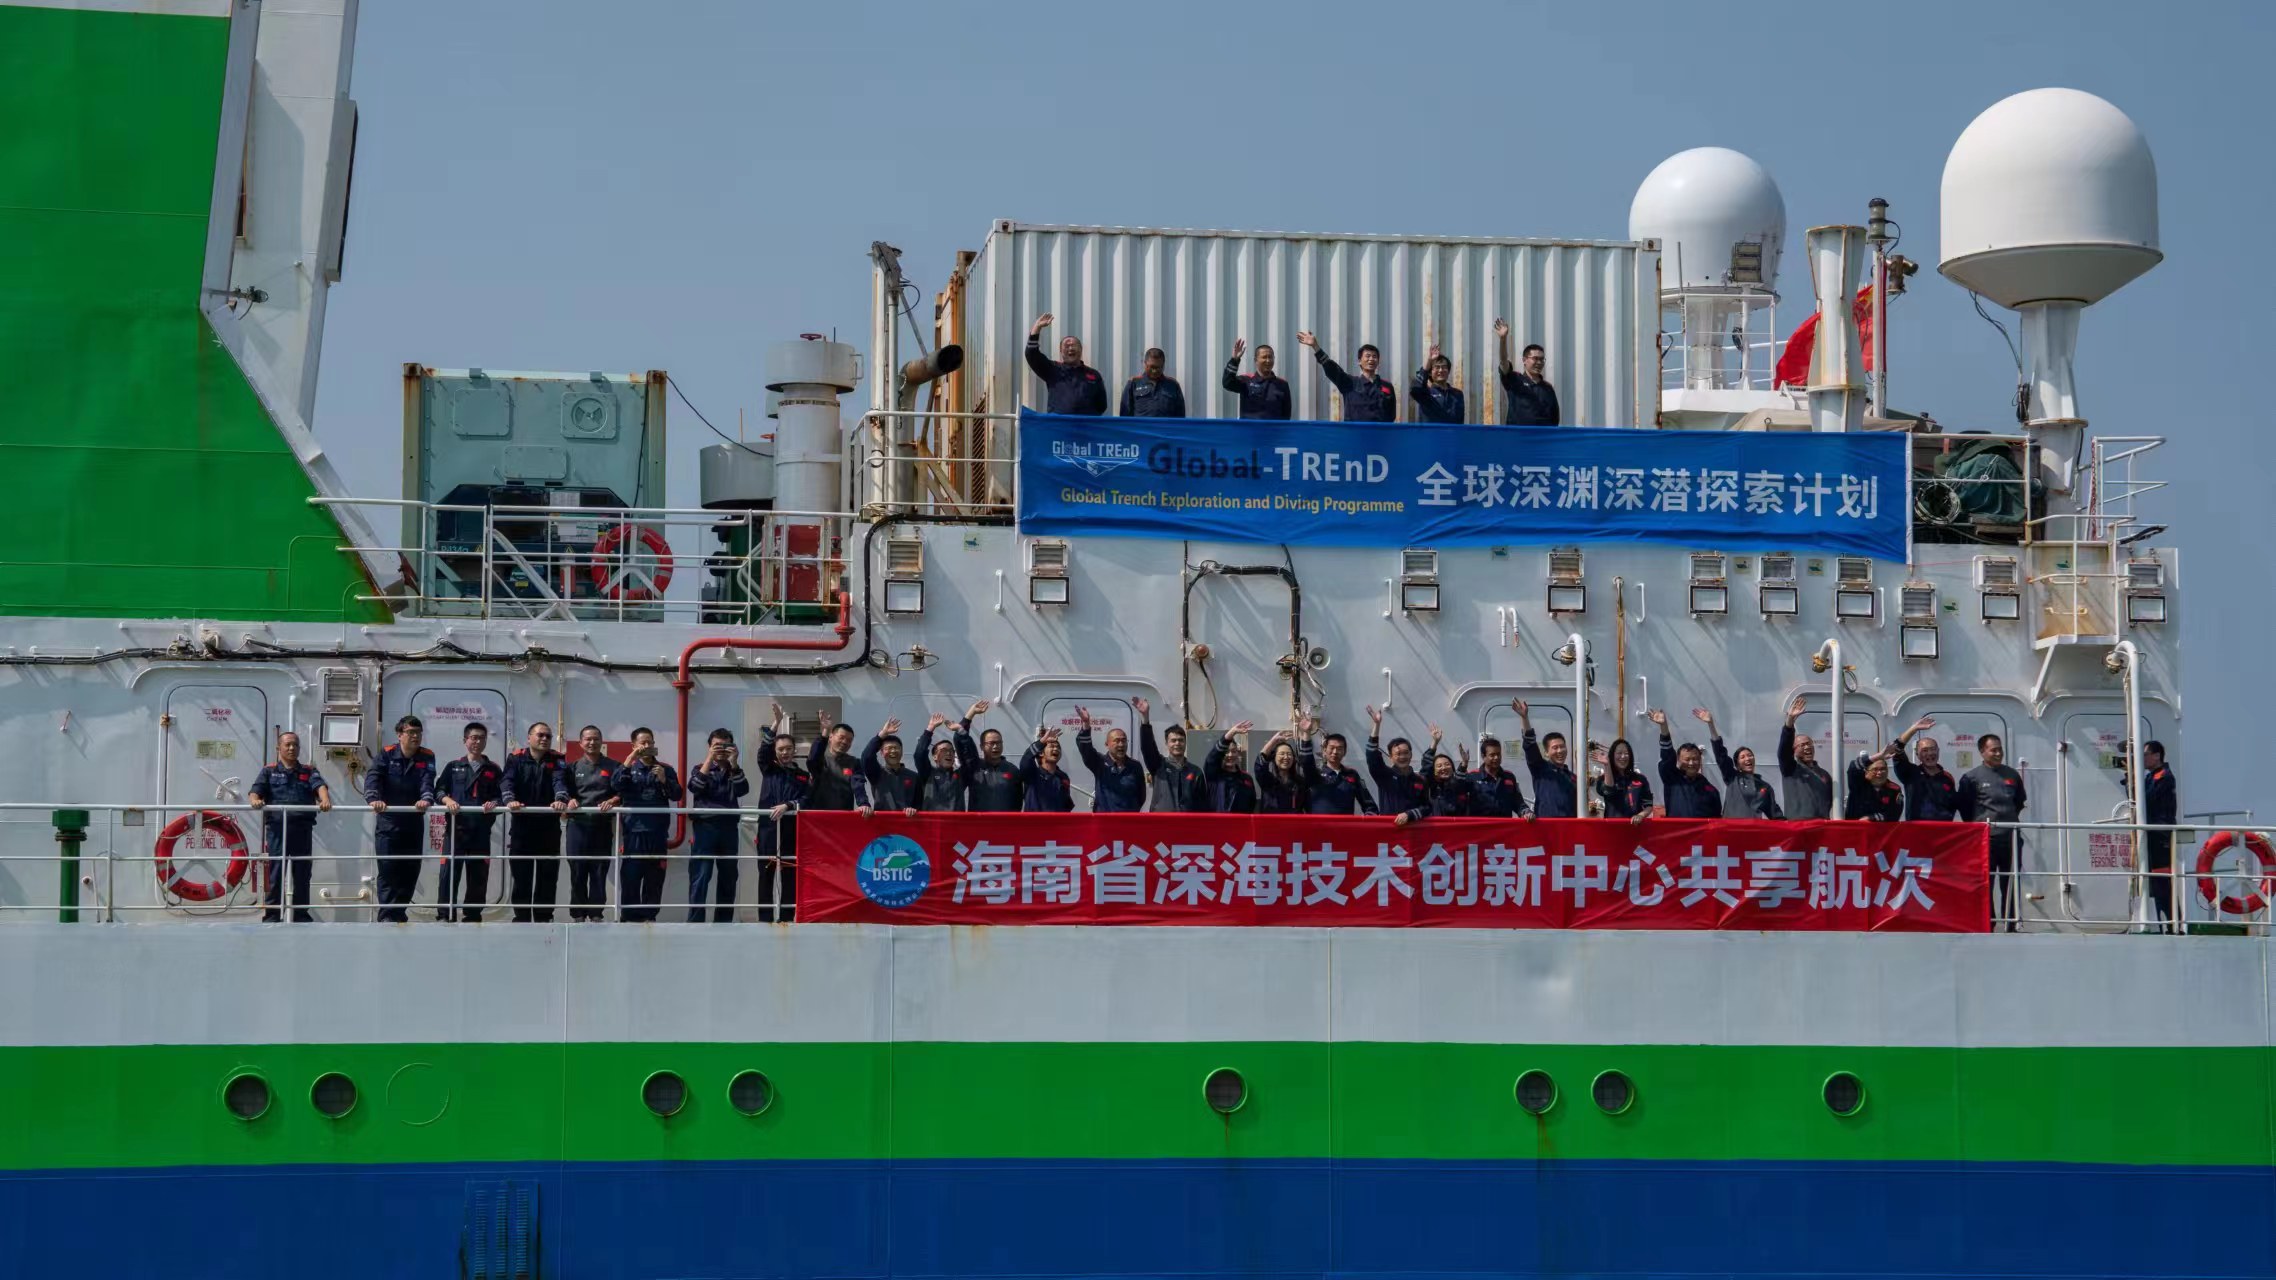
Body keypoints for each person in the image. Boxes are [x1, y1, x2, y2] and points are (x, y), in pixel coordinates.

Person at [248, 730, 330, 923]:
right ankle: (272, 916)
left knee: (302, 874)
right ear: (279, 748)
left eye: (295, 745)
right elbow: (255, 791)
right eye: (288, 745)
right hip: (277, 831)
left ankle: (301, 916)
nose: (292, 748)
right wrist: (255, 800)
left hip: (302, 830)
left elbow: (319, 786)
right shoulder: (269, 771)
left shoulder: (308, 770)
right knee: (275, 874)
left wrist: (325, 799)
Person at [362, 715, 435, 923]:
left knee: (410, 870)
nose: (415, 736)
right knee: (388, 870)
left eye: (418, 733)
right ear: (399, 734)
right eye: (410, 732)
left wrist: (425, 799)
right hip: (389, 822)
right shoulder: (386, 754)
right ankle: (387, 917)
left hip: (413, 822)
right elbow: (373, 778)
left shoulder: (427, 756)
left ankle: (399, 914)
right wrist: (374, 799)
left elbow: (427, 781)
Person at [436, 722, 506, 923]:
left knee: (478, 875)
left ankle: (473, 916)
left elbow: (502, 796)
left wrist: (494, 804)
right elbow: (438, 791)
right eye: (473, 738)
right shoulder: (453, 767)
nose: (477, 742)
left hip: (480, 831)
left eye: (482, 738)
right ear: (465, 741)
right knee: (448, 874)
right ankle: (445, 915)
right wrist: (448, 800)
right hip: (455, 830)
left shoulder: (493, 769)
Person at [610, 727, 683, 923]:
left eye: (650, 742)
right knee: (631, 877)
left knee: (655, 878)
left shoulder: (665, 769)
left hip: (657, 833)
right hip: (634, 832)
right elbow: (616, 785)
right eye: (642, 742)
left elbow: (677, 795)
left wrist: (664, 780)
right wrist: (629, 760)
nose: (647, 745)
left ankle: (650, 918)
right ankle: (629, 918)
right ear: (634, 745)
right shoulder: (628, 768)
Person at [501, 722, 570, 923]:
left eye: (548, 736)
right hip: (522, 828)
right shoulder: (516, 758)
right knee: (521, 876)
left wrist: (560, 799)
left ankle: (544, 919)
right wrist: (509, 799)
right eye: (540, 735)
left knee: (547, 877)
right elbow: (507, 781)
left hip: (549, 828)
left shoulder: (557, 759)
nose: (544, 739)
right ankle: (521, 918)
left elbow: (560, 781)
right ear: (529, 737)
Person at [1959, 733, 2029, 931]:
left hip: (2011, 837)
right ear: (1982, 752)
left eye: (2000, 749)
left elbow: (2018, 803)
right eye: (1993, 750)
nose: (1998, 753)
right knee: (1985, 883)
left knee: (2011, 880)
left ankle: (2011, 924)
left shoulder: (2012, 775)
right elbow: (1965, 808)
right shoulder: (1971, 778)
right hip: (1986, 839)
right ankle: (1987, 923)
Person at [686, 728, 751, 923]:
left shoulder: (734, 770)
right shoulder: (700, 768)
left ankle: (723, 922)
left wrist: (734, 763)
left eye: (725, 745)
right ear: (709, 747)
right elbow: (695, 787)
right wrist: (709, 759)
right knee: (700, 875)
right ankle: (695, 922)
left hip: (729, 828)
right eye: (716, 746)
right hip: (705, 827)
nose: (721, 749)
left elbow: (742, 790)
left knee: (729, 876)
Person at [754, 712, 808, 924]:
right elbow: (763, 753)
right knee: (766, 874)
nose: (785, 752)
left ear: (794, 751)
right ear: (775, 752)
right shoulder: (769, 769)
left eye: (788, 749)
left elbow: (806, 799)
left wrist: (788, 805)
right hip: (768, 830)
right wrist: (775, 724)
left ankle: (786, 917)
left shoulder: (802, 775)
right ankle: (765, 920)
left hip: (791, 830)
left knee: (789, 874)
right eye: (781, 749)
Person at [564, 725, 621, 923]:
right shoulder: (572, 768)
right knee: (577, 872)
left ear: (601, 742)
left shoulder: (613, 766)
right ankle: (578, 915)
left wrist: (613, 800)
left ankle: (596, 914)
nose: (592, 742)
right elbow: (563, 791)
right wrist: (569, 800)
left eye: (596, 739)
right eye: (588, 739)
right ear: (581, 743)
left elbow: (622, 792)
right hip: (577, 826)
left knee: (599, 871)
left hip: (601, 826)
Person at [1695, 708, 1781, 819]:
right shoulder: (1732, 777)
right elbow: (1720, 754)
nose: (1747, 758)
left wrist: (1791, 826)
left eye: (1750, 755)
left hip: (1753, 828)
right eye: (1743, 757)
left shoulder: (1764, 787)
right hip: (1730, 828)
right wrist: (1711, 724)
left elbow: (1775, 814)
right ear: (1737, 765)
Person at [1296, 330, 1397, 422]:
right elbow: (1332, 369)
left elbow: (1392, 415)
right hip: (1354, 434)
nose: (1371, 359)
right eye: (1367, 356)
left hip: (1379, 435)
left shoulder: (1387, 386)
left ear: (1378, 361)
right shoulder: (1350, 383)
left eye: (1374, 356)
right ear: (1359, 361)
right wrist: (1316, 347)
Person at [1024, 313, 1107, 416]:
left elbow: (1102, 405)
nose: (1070, 348)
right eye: (1067, 346)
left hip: (1086, 425)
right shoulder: (1053, 369)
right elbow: (1032, 354)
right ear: (1061, 351)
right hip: (1059, 424)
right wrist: (1037, 327)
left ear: (1081, 350)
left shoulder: (1094, 375)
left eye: (1074, 345)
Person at [1645, 711, 1721, 819]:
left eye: (1695, 759)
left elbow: (1716, 820)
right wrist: (1664, 727)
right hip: (1676, 830)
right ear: (1678, 761)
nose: (1691, 763)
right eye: (1687, 759)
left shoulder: (1710, 790)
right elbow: (1667, 756)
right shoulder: (1671, 778)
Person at [1514, 700, 1580, 819]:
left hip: (1568, 827)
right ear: (1546, 752)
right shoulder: (1540, 769)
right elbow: (1530, 744)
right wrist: (1524, 717)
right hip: (1546, 827)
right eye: (1555, 748)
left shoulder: (1573, 778)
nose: (1560, 751)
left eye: (1562, 746)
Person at [955, 700, 1025, 811]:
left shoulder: (1013, 770)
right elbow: (961, 741)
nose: (995, 746)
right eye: (991, 743)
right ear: (982, 746)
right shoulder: (974, 767)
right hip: (979, 821)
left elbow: (1018, 801)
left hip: (1005, 822)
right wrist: (970, 714)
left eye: (998, 743)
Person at [1074, 707, 1147, 812]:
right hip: (1104, 820)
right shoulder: (1099, 762)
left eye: (1124, 741)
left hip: (1128, 820)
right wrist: (1086, 724)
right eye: (1116, 741)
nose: (1121, 744)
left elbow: (1141, 797)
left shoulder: (1135, 766)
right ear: (1106, 744)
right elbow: (1086, 749)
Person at [1889, 716, 1961, 821]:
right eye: (1925, 750)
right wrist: (1913, 729)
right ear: (1917, 755)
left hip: (1943, 830)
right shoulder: (1910, 773)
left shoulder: (1948, 777)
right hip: (1917, 830)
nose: (1930, 753)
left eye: (1933, 749)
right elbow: (1896, 748)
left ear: (1938, 751)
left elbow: (1953, 806)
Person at [1363, 706, 1431, 816]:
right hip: (1389, 826)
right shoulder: (1384, 775)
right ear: (1390, 757)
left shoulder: (1420, 780)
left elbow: (1427, 807)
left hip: (1414, 826)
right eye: (1398, 754)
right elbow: (1372, 756)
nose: (1402, 757)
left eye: (1405, 753)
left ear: (1411, 755)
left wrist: (1410, 815)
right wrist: (1377, 725)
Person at [1776, 697, 1835, 821]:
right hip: (1798, 826)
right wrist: (1789, 722)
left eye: (1809, 744)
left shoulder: (1824, 775)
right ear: (1794, 750)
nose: (1807, 747)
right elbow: (1784, 751)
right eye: (1802, 745)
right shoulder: (1790, 769)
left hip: (1821, 826)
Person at [1396, 733, 1475, 825]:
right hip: (1432, 830)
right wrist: (1434, 743)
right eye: (1439, 766)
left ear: (1453, 768)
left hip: (1454, 830)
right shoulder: (1429, 787)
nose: (1443, 768)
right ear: (1433, 770)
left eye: (1447, 764)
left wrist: (1464, 764)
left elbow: (1459, 781)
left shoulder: (1459, 786)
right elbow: (1426, 769)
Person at [1300, 726, 1378, 815]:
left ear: (1345, 752)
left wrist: (1368, 818)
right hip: (1318, 823)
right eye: (1331, 748)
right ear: (1324, 750)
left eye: (1339, 748)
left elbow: (1370, 806)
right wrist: (1306, 733)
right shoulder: (1315, 773)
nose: (1335, 752)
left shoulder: (1352, 774)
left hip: (1344, 824)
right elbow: (1306, 761)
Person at [1495, 320, 1560, 426]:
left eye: (1542, 359)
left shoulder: (1548, 388)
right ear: (1524, 360)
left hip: (1542, 436)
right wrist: (1503, 339)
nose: (1539, 362)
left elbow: (1555, 418)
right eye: (1535, 358)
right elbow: (1503, 361)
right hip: (1518, 435)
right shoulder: (1515, 380)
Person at [2142, 740, 2179, 926]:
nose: (2142, 759)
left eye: (2145, 755)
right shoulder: (2152, 776)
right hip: (2153, 835)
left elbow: (2146, 799)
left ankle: (2173, 924)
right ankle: (2162, 922)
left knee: (2162, 883)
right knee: (2155, 884)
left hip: (2160, 837)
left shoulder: (2164, 777)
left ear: (2157, 756)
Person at [861, 719, 922, 816]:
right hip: (883, 822)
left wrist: (914, 810)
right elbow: (866, 756)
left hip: (907, 822)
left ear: (902, 751)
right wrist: (882, 734)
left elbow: (919, 803)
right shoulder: (876, 773)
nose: (893, 751)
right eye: (888, 748)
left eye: (896, 748)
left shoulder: (914, 776)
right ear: (881, 753)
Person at [1221, 339, 1292, 420]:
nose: (1268, 360)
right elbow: (1227, 383)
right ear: (1256, 360)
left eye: (1270, 357)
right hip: (1249, 428)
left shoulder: (1282, 384)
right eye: (1264, 357)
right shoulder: (1246, 381)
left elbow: (1286, 416)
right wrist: (1234, 360)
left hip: (1273, 428)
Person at [1465, 732, 1530, 818]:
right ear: (1483, 756)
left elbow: (1518, 802)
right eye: (1492, 755)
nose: (1496, 758)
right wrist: (1462, 767)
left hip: (1504, 825)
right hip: (1480, 825)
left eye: (1498, 754)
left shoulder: (1509, 777)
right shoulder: (1472, 776)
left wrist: (1525, 812)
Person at [914, 714, 966, 811]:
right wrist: (930, 729)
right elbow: (919, 755)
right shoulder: (928, 773)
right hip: (932, 820)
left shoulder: (961, 776)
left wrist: (961, 731)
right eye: (943, 750)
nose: (948, 753)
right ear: (934, 756)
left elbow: (970, 759)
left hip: (955, 821)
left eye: (951, 751)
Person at [1253, 726, 1310, 814]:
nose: (1286, 757)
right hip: (1271, 821)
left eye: (1289, 754)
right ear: (1274, 758)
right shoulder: (1268, 780)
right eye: (1282, 754)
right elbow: (1259, 764)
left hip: (1293, 822)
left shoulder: (1300, 782)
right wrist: (1273, 741)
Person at [1594, 738, 1652, 823]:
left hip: (1635, 827)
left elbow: (1648, 805)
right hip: (1613, 827)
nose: (1623, 756)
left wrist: (1641, 815)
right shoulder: (1603, 779)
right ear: (1612, 756)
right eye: (1619, 753)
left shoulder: (1640, 779)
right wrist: (1607, 765)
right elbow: (1608, 790)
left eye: (1626, 753)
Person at [1020, 725, 1076, 812]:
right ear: (1041, 753)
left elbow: (1066, 805)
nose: (1056, 749)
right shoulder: (1033, 773)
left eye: (1058, 747)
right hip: (1035, 820)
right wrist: (1042, 742)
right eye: (1052, 746)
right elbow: (1026, 759)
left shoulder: (1063, 777)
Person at [1206, 722, 1260, 813]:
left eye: (1234, 751)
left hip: (1240, 822)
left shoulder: (1246, 778)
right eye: (1226, 752)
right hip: (1218, 821)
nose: (1230, 755)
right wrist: (1231, 733)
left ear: (1238, 753)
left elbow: (1251, 804)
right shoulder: (1214, 775)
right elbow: (1212, 758)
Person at [1119, 347, 1186, 418]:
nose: (1154, 371)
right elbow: (1124, 415)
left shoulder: (1173, 385)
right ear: (1145, 364)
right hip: (1141, 425)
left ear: (1163, 366)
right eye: (1152, 367)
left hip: (1165, 425)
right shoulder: (1133, 383)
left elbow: (1180, 416)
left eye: (1158, 367)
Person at [1845, 746, 1906, 822]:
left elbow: (1894, 813)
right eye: (1875, 769)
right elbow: (1853, 767)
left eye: (1883, 769)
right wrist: (1879, 755)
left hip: (1881, 829)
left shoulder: (1894, 789)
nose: (1879, 772)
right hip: (1855, 828)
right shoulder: (1858, 783)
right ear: (1866, 772)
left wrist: (1871, 818)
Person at [1409, 346, 1465, 424]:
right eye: (1437, 367)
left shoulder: (1457, 394)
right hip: (1431, 432)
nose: (1441, 370)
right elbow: (1414, 389)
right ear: (1430, 373)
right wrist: (1428, 363)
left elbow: (1460, 421)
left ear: (1448, 371)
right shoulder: (1425, 393)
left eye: (1444, 367)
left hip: (1452, 432)